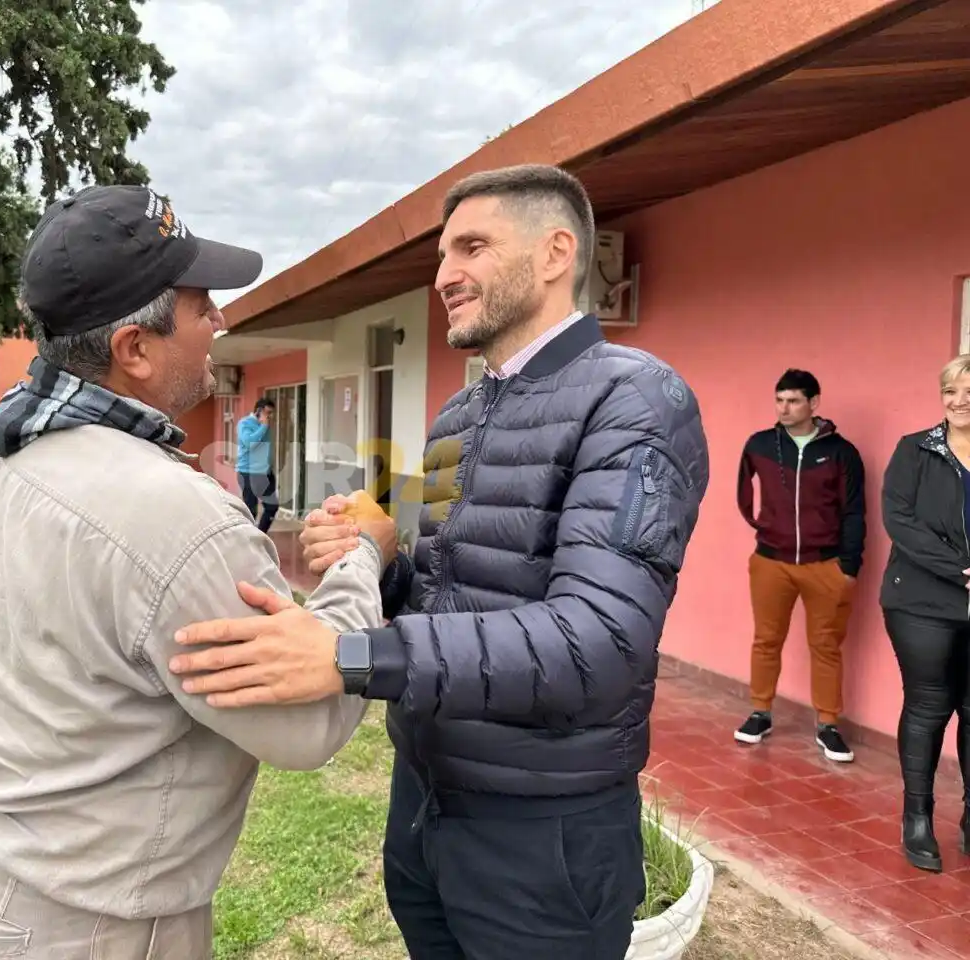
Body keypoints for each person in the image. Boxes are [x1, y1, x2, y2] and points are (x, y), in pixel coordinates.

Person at [168, 164, 710, 959]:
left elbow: (599, 642)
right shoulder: (459, 415)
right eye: (443, 255)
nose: (444, 276)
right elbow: (440, 589)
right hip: (424, 804)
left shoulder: (634, 402)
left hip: (542, 835)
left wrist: (349, 657)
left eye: (472, 248)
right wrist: (376, 555)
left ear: (556, 252)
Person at [0, 184, 398, 960]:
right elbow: (305, 722)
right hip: (80, 922)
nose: (220, 322)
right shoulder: (176, 519)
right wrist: (363, 555)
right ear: (134, 349)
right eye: (202, 306)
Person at [733, 369, 866, 762]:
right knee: (766, 639)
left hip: (824, 564)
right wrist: (763, 528)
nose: (784, 408)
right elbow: (743, 492)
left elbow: (854, 511)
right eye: (779, 400)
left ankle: (828, 724)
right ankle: (760, 712)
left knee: (826, 645)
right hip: (770, 562)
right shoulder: (760, 444)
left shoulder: (841, 452)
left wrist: (849, 566)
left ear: (814, 403)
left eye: (793, 400)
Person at [879, 353, 970, 874]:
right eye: (950, 391)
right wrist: (963, 570)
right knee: (929, 705)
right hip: (921, 602)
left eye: (969, 392)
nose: (959, 401)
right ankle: (917, 817)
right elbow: (900, 521)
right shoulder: (915, 449)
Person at [236, 397, 279, 532]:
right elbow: (249, 443)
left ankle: (261, 535)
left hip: (265, 472)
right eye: (268, 413)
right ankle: (248, 538)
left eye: (272, 413)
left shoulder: (265, 425)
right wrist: (264, 426)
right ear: (259, 411)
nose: (270, 416)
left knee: (272, 506)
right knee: (251, 511)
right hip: (248, 472)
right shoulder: (245, 423)